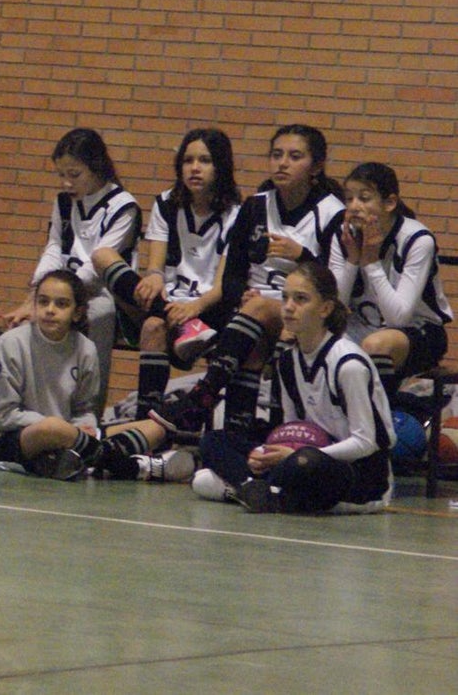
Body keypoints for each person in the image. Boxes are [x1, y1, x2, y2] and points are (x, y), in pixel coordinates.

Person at [151, 124, 345, 441]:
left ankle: (204, 395)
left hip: (308, 313)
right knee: (251, 340)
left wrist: (303, 255)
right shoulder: (256, 205)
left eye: (294, 156)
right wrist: (240, 294)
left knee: (258, 316)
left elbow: (337, 285)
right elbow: (232, 274)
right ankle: (236, 435)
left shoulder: (331, 213)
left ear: (317, 166)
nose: (282, 163)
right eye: (277, 155)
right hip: (253, 314)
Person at [192, 262, 395, 514]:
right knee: (213, 440)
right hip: (299, 458)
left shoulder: (348, 364)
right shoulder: (287, 361)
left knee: (304, 463)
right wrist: (264, 455)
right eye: (285, 297)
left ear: (325, 308)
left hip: (357, 473)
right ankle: (255, 488)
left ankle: (253, 489)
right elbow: (291, 429)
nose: (288, 307)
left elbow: (366, 442)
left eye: (300, 299)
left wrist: (295, 455)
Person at [0, 269, 195, 482]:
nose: (50, 310)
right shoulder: (9, 344)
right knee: (52, 428)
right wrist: (62, 428)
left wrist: (85, 426)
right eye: (43, 302)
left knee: (154, 428)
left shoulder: (86, 349)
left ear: (78, 312)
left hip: (70, 434)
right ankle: (127, 466)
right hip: (12, 437)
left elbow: (84, 409)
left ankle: (83, 459)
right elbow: (2, 415)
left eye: (61, 304)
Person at [92, 128, 242, 422]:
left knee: (151, 326)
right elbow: (155, 265)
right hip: (168, 303)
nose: (194, 168)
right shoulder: (166, 203)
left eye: (205, 161)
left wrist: (193, 309)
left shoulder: (236, 213)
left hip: (210, 310)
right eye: (188, 160)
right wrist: (154, 277)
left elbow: (224, 285)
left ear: (220, 167)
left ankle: (152, 423)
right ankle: (145, 424)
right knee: (102, 256)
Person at [1, 128, 142, 410]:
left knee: (97, 314)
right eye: (61, 175)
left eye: (74, 175)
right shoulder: (63, 202)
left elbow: (95, 269)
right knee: (17, 325)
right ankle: (8, 414)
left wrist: (54, 299)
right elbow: (54, 248)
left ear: (97, 168)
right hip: (61, 287)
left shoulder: (124, 207)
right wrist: (36, 294)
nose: (66, 183)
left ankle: (89, 415)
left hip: (102, 293)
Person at [329, 162, 452, 400]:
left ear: (389, 203)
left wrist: (371, 262)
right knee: (308, 336)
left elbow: (399, 318)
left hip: (418, 331)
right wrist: (353, 260)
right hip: (361, 325)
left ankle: (377, 422)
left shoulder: (417, 239)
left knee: (376, 345)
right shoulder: (342, 234)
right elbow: (334, 307)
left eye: (364, 198)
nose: (354, 207)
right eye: (349, 199)